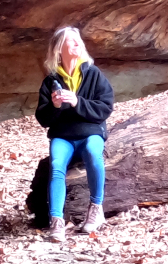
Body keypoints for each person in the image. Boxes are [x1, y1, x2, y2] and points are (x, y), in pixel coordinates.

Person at [33, 27, 114, 242]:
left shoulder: (93, 73)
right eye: (73, 42)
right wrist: (56, 105)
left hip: (91, 132)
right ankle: (56, 221)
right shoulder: (51, 81)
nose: (78, 45)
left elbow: (105, 107)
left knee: (93, 154)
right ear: (60, 49)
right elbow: (43, 118)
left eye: (79, 42)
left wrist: (78, 102)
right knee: (57, 165)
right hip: (63, 136)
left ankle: (96, 209)